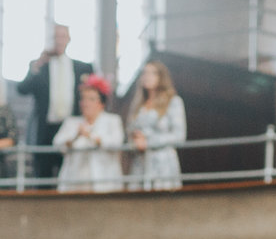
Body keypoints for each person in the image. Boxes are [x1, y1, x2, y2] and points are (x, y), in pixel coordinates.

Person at [13, 24, 92, 181]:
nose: (59, 40)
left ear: (69, 39)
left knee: (70, 175)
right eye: (56, 37)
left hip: (71, 129)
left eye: (62, 36)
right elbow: (22, 89)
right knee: (43, 177)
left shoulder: (83, 68)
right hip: (45, 130)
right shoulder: (40, 66)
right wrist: (37, 65)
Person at [51, 73, 125, 193]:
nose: (86, 103)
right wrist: (76, 136)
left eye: (91, 99)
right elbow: (58, 144)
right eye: (83, 98)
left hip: (104, 184)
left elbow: (116, 143)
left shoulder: (113, 121)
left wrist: (91, 136)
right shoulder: (72, 122)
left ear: (101, 103)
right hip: (74, 184)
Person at [127, 59, 187, 190]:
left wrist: (149, 142)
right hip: (140, 165)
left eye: (152, 73)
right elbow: (130, 134)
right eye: (144, 73)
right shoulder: (138, 105)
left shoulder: (173, 102)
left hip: (163, 164)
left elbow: (179, 135)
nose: (147, 77)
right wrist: (135, 141)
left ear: (161, 77)